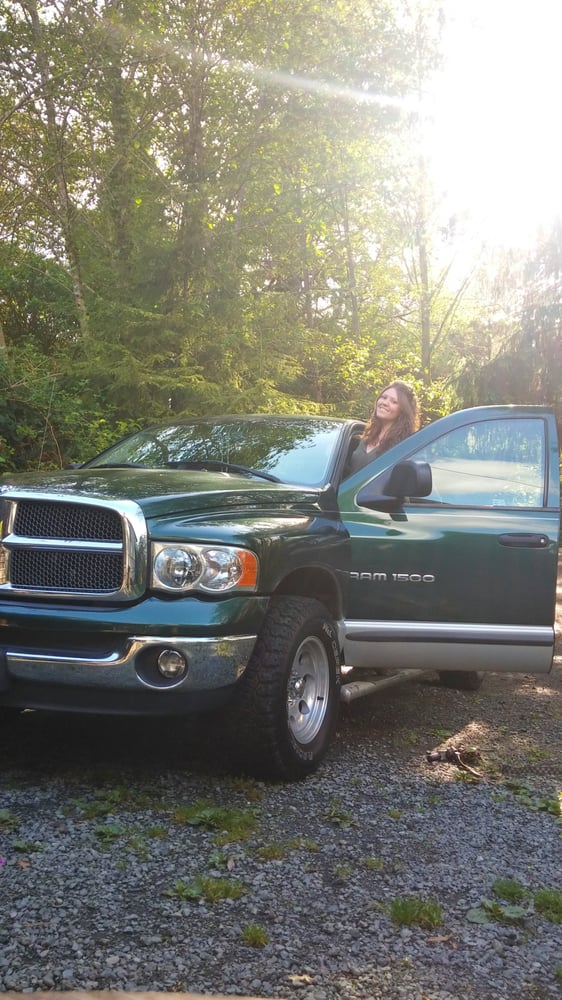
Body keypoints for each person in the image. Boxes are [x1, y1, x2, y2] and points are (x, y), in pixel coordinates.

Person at [347, 380, 419, 474]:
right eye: (384, 397)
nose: (385, 403)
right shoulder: (366, 436)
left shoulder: (402, 446)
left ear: (403, 410)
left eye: (394, 402)